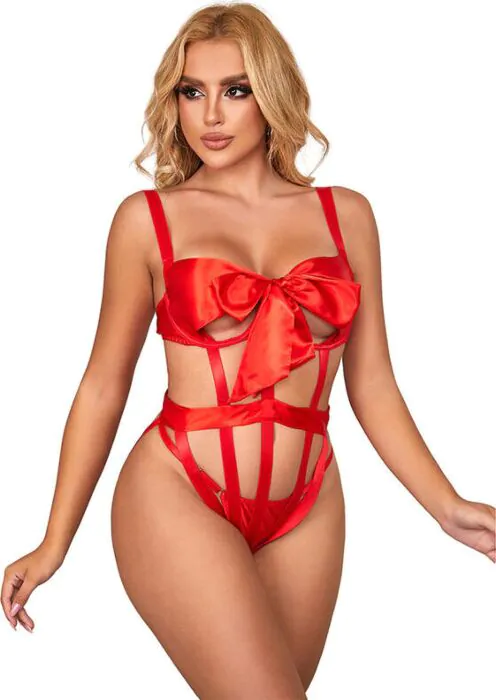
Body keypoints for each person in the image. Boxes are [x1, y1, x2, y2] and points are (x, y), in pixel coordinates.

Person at [2, 3, 494, 698]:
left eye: (235, 90)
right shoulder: (146, 220)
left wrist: (446, 506)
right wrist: (55, 541)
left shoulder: (347, 216)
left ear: (272, 94)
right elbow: (103, 386)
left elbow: (373, 384)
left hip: (308, 502)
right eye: (191, 91)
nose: (211, 114)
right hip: (178, 489)